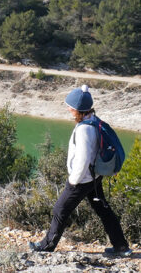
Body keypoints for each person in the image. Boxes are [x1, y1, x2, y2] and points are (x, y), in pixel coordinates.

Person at [29, 85, 132, 256]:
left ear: (78, 109)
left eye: (70, 107)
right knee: (103, 210)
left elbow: (83, 159)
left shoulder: (84, 129)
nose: (68, 109)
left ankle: (46, 247)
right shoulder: (94, 120)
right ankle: (121, 247)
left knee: (60, 210)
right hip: (95, 177)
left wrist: (73, 180)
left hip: (82, 180)